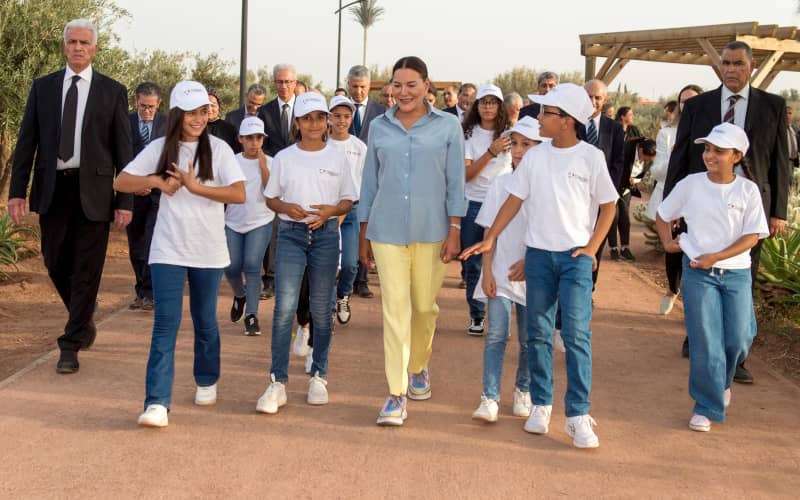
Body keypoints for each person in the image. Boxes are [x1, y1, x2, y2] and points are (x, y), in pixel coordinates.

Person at [462, 83, 617, 448]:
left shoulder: (591, 158)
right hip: (538, 257)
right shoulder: (535, 158)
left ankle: (578, 415)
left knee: (577, 335)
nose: (539, 117)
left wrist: (592, 248)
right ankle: (541, 406)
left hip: (576, 259)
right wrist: (490, 237)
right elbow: (514, 200)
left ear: (566, 121)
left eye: (546, 113)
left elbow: (609, 205)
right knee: (538, 335)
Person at [114, 80, 247, 428]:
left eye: (203, 111)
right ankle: (157, 402)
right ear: (177, 114)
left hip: (208, 250)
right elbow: (121, 181)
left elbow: (238, 194)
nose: (198, 118)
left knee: (205, 322)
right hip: (168, 248)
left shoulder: (218, 149)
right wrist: (158, 182)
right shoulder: (160, 147)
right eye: (191, 112)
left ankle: (206, 378)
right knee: (165, 325)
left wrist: (194, 186)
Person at [9, 19, 133, 374]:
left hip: (94, 191)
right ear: (64, 47)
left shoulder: (113, 91)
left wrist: (125, 200)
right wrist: (17, 191)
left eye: (84, 42)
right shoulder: (43, 88)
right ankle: (84, 313)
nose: (78, 47)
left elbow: (123, 151)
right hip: (53, 188)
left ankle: (71, 341)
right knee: (53, 259)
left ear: (95, 48)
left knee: (87, 267)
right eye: (72, 42)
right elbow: (26, 143)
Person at [664, 41, 791, 384]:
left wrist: (777, 211)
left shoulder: (774, 106)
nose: (731, 69)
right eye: (726, 63)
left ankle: (737, 358)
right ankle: (698, 336)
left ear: (751, 66)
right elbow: (679, 155)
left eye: (738, 63)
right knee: (698, 268)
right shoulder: (698, 106)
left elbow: (780, 161)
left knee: (742, 277)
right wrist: (672, 206)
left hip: (752, 211)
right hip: (703, 206)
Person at [359, 56, 466, 426]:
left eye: (411, 85)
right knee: (395, 311)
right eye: (397, 85)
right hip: (386, 230)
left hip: (432, 231)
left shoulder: (449, 126)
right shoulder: (378, 127)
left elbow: (456, 181)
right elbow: (369, 182)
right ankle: (395, 393)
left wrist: (455, 228)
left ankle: (419, 365)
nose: (403, 92)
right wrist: (363, 231)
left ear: (426, 85)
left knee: (423, 307)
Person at [656, 123, 768, 432]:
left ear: (736, 156)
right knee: (706, 341)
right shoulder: (690, 184)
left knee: (739, 338)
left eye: (718, 151)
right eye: (707, 149)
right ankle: (706, 405)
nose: (709, 155)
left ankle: (721, 381)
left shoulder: (747, 190)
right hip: (698, 273)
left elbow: (752, 237)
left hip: (736, 274)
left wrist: (717, 257)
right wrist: (668, 243)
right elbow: (663, 215)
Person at [256, 92, 357, 414]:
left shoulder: (339, 157)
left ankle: (319, 375)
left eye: (319, 117)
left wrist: (330, 212)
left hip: (326, 236)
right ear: (297, 123)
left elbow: (348, 200)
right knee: (284, 308)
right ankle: (277, 382)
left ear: (326, 120)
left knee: (320, 309)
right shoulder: (284, 157)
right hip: (290, 236)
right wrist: (287, 207)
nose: (313, 124)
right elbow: (271, 199)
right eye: (306, 118)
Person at [470, 117, 547, 423]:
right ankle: (489, 397)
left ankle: (523, 390)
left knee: (529, 339)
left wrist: (530, 263)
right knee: (496, 335)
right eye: (514, 144)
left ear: (541, 148)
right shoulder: (500, 184)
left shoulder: (546, 187)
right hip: (500, 274)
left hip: (534, 276)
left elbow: (550, 233)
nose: (517, 151)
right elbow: (490, 232)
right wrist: (487, 272)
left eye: (526, 145)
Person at [647, 84, 703, 318]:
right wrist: (674, 158)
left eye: (693, 100)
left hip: (701, 203)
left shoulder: (710, 134)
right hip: (672, 198)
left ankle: (694, 308)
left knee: (697, 251)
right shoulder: (667, 133)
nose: (687, 105)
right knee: (674, 250)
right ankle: (673, 288)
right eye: (683, 101)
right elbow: (657, 172)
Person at [461, 84, 512, 336]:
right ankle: (477, 315)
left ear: (500, 106)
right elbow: (467, 175)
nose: (488, 106)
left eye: (493, 102)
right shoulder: (468, 134)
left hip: (504, 206)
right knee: (473, 263)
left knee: (502, 260)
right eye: (484, 102)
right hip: (473, 204)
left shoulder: (512, 135)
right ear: (477, 105)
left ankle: (500, 316)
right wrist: (491, 152)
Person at [224, 117, 274, 336]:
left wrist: (263, 167)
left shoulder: (271, 162)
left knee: (252, 265)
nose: (255, 142)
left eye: (258, 138)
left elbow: (272, 191)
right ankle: (240, 294)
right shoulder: (230, 160)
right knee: (232, 266)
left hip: (261, 220)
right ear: (240, 139)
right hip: (233, 221)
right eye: (250, 138)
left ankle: (251, 315)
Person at [257, 63, 299, 299]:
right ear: (274, 83)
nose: (284, 86)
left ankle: (293, 277)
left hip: (300, 176)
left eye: (288, 82)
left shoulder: (304, 109)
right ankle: (270, 278)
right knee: (273, 227)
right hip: (274, 177)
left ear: (295, 82)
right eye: (280, 82)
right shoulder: (265, 112)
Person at [347, 65, 387, 299]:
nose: (359, 91)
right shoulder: (339, 109)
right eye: (354, 86)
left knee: (367, 226)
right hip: (345, 177)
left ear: (369, 86)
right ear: (349, 85)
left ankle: (362, 280)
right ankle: (344, 278)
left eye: (363, 87)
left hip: (372, 175)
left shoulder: (381, 112)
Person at [328, 96, 368, 326]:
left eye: (346, 116)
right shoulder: (323, 144)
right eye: (337, 116)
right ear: (329, 118)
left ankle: (343, 295)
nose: (341, 121)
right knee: (329, 262)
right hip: (328, 212)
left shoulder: (359, 147)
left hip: (352, 211)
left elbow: (365, 181)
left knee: (351, 263)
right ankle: (330, 304)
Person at [127, 82, 167, 312]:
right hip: (132, 195)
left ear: (158, 104)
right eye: (143, 106)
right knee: (135, 244)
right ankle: (140, 290)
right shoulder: (126, 121)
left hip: (158, 195)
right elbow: (120, 155)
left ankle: (150, 292)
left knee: (151, 241)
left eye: (151, 107)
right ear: (136, 102)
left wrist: (151, 183)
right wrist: (134, 185)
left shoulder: (167, 124)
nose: (147, 111)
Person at [582, 79, 625, 290]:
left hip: (602, 199)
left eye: (597, 97)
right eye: (589, 96)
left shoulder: (615, 129)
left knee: (596, 244)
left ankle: (589, 287)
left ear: (604, 100)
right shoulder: (571, 123)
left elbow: (618, 163)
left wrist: (608, 194)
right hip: (576, 197)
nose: (593, 101)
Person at [608, 137, 656, 261]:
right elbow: (615, 167)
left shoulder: (649, 156)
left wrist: (635, 180)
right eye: (644, 158)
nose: (645, 161)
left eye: (648, 160)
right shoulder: (625, 149)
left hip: (627, 188)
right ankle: (613, 248)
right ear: (640, 150)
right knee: (613, 217)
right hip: (613, 186)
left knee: (624, 217)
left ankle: (625, 248)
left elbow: (641, 174)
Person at [206, 89, 240, 153]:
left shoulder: (229, 129)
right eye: (206, 105)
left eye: (213, 105)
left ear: (219, 107)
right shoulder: (196, 128)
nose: (209, 109)